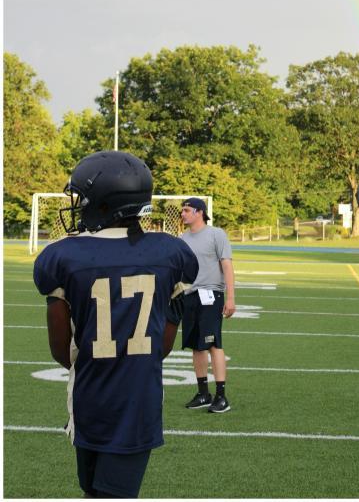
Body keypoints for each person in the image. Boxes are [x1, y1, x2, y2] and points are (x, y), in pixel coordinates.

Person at [33, 151, 198, 499]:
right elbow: (162, 347)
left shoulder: (63, 255)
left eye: (83, 198)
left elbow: (60, 351)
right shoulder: (171, 252)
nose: (78, 206)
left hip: (89, 397)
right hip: (138, 400)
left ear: (104, 205)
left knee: (96, 493)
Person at [180, 197, 235, 413]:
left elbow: (227, 267)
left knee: (214, 344)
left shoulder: (216, 234)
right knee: (196, 345)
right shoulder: (183, 238)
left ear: (199, 212)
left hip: (211, 294)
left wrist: (230, 297)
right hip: (190, 295)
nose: (183, 214)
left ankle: (221, 397)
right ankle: (203, 393)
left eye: (186, 210)